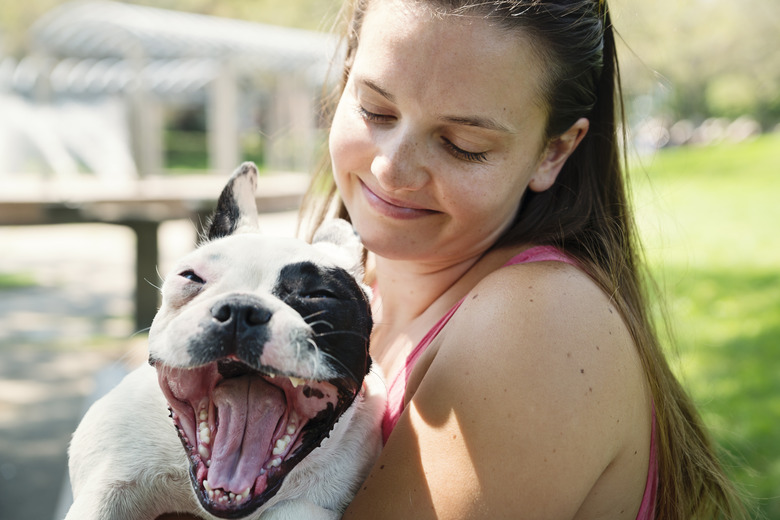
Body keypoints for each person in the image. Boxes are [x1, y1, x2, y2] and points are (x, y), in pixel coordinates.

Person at [296, 0, 747, 518]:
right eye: (376, 110)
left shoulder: (542, 321)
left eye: (463, 144)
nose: (392, 168)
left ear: (552, 152)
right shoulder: (336, 280)